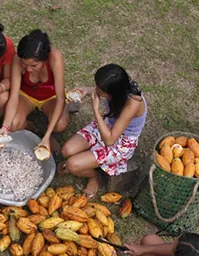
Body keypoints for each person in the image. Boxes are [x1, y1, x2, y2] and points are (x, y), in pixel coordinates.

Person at [59, 64, 146, 199]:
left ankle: (95, 176)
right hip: (106, 124)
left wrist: (96, 110)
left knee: (72, 165)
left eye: (100, 90)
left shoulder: (133, 103)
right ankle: (89, 160)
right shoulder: (118, 89)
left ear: (114, 93)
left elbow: (110, 140)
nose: (97, 90)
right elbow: (101, 90)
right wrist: (86, 90)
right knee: (66, 151)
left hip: (119, 142)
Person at [0, 29, 68, 153]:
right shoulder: (17, 59)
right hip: (26, 95)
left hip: (50, 97)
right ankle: (31, 127)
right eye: (25, 65)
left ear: (44, 59)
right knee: (13, 124)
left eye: (34, 66)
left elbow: (60, 99)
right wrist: (5, 127)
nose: (28, 69)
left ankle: (46, 135)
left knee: (60, 124)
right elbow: (14, 96)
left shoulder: (55, 58)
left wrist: (47, 136)